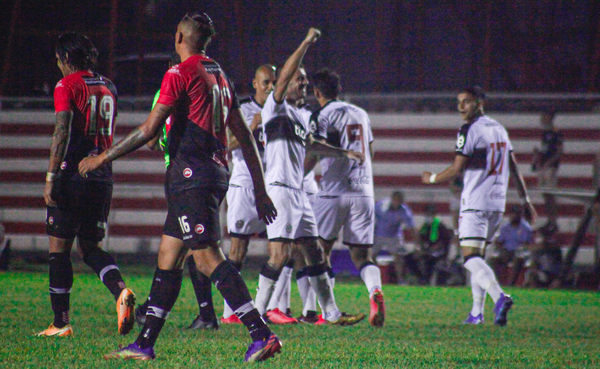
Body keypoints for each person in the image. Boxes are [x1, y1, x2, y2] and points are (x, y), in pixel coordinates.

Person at [79, 13, 280, 362]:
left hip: (192, 176)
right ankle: (144, 344)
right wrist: (260, 192)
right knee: (168, 258)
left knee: (205, 257)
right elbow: (245, 136)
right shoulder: (220, 75)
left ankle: (261, 333)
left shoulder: (179, 73)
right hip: (214, 173)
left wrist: (102, 159)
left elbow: (148, 130)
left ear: (178, 38)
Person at [255, 28, 366, 326]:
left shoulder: (300, 116)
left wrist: (345, 153)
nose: (304, 82)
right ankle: (255, 314)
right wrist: (305, 42)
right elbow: (285, 75)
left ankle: (330, 313)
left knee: (314, 251)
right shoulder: (274, 107)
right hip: (279, 189)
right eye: (298, 78)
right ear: (283, 83)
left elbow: (313, 146)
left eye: (305, 79)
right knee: (279, 255)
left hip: (298, 192)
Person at [36, 32, 136, 338]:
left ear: (67, 59)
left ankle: (60, 322)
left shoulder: (67, 85)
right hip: (102, 175)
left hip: (73, 173)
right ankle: (121, 291)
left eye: (58, 61)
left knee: (59, 249)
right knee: (91, 247)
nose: (58, 67)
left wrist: (52, 176)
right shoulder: (109, 86)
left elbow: (62, 132)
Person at [422, 86, 537, 326]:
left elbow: (457, 168)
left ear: (480, 103)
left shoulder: (469, 130)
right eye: (459, 101)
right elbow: (514, 167)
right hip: (497, 203)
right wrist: (525, 200)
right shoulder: (499, 129)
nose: (461, 106)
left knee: (470, 258)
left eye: (466, 101)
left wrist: (432, 178)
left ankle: (500, 297)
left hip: (475, 201)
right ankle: (477, 313)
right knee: (479, 257)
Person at [136, 53, 221, 331]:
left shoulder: (167, 89)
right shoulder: (208, 86)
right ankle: (158, 312)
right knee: (176, 249)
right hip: (207, 169)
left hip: (183, 174)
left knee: (198, 248)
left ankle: (240, 322)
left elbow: (150, 141)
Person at [307, 68, 385, 327]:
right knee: (363, 256)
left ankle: (328, 311)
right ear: (338, 90)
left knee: (320, 252)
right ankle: (375, 291)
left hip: (332, 191)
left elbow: (315, 148)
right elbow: (371, 151)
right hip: (363, 191)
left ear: (316, 92)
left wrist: (297, 176)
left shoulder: (321, 114)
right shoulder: (361, 113)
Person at [221, 64, 286, 324]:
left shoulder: (280, 111)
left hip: (273, 187)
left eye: (274, 82)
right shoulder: (243, 110)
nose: (271, 87)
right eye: (266, 82)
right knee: (238, 250)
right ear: (255, 84)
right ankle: (229, 313)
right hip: (244, 186)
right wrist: (251, 126)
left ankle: (266, 308)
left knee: (281, 249)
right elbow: (226, 144)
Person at [373, 191, 418, 284]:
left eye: (399, 200)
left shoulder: (404, 211)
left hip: (394, 236)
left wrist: (417, 242)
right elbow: (370, 216)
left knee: (398, 258)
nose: (397, 203)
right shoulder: (382, 206)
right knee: (371, 256)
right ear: (392, 199)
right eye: (396, 200)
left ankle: (401, 280)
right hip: (378, 234)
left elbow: (411, 227)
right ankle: (373, 278)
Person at [490, 205, 534, 286]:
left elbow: (528, 243)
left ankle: (511, 284)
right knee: (493, 260)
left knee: (517, 259)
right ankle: (499, 283)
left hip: (519, 251)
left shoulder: (525, 228)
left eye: (516, 214)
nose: (514, 216)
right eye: (512, 214)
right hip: (506, 250)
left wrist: (522, 248)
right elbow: (500, 241)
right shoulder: (505, 227)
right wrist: (499, 246)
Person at [532, 111, 563, 223]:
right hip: (544, 166)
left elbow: (559, 151)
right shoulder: (544, 133)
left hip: (550, 166)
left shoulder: (556, 132)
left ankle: (553, 219)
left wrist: (549, 162)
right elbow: (545, 149)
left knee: (550, 194)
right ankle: (550, 219)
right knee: (545, 194)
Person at [415, 204, 452, 285]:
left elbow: (442, 243)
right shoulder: (425, 226)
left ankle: (427, 280)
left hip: (438, 253)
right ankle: (420, 280)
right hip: (428, 251)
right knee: (411, 258)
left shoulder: (439, 225)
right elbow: (420, 239)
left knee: (429, 261)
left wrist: (429, 250)